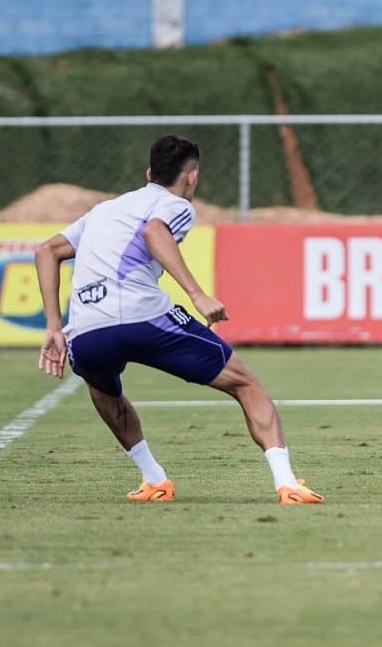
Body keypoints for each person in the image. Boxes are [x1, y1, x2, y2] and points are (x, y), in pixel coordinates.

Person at [34, 135, 323, 505]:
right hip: (142, 316)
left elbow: (46, 250)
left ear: (150, 172)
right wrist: (197, 294)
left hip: (86, 328)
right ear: (191, 177)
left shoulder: (105, 209)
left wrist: (54, 328)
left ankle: (155, 481)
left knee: (102, 388)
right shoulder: (176, 204)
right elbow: (154, 231)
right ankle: (287, 485)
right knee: (247, 385)